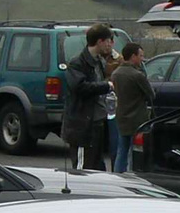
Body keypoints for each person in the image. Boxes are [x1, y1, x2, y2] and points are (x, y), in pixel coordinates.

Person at [60, 23, 115, 170]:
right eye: (108, 40)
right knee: (82, 169)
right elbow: (79, 87)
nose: (110, 44)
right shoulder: (77, 63)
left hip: (97, 123)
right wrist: (106, 86)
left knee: (97, 168)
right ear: (99, 41)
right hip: (82, 126)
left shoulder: (100, 62)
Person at [111, 42, 153, 173]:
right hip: (138, 118)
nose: (142, 59)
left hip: (122, 116)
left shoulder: (116, 74)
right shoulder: (137, 75)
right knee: (135, 151)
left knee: (122, 149)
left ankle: (118, 174)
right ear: (133, 56)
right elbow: (151, 95)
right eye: (140, 56)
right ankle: (133, 175)